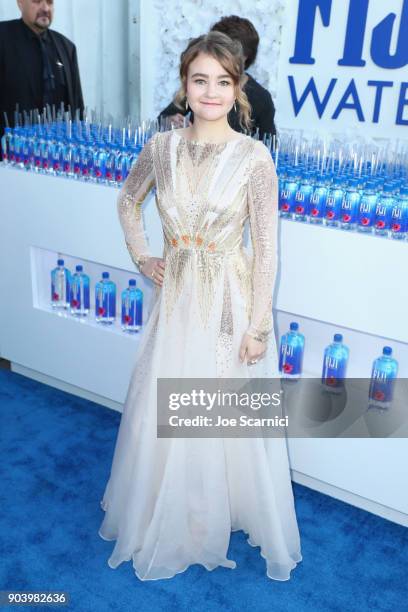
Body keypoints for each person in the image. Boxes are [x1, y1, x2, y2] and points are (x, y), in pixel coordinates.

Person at [98, 31, 302, 581]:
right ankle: (171, 509)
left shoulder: (254, 157)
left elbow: (266, 249)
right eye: (199, 80)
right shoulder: (161, 147)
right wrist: (142, 255)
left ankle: (215, 510)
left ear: (238, 90)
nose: (210, 91)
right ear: (184, 86)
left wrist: (259, 326)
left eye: (222, 81)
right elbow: (126, 199)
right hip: (179, 295)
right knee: (164, 406)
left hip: (229, 303)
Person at [158, 15, 276, 140]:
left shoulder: (262, 98)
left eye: (224, 83)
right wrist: (171, 121)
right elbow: (163, 119)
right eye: (201, 81)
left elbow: (271, 146)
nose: (211, 93)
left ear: (244, 56)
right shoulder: (196, 88)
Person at [0, 0, 84, 140]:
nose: (45, 8)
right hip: (10, 155)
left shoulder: (66, 48)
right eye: (37, 1)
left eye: (50, 2)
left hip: (57, 153)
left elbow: (77, 108)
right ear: (20, 3)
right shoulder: (3, 39)